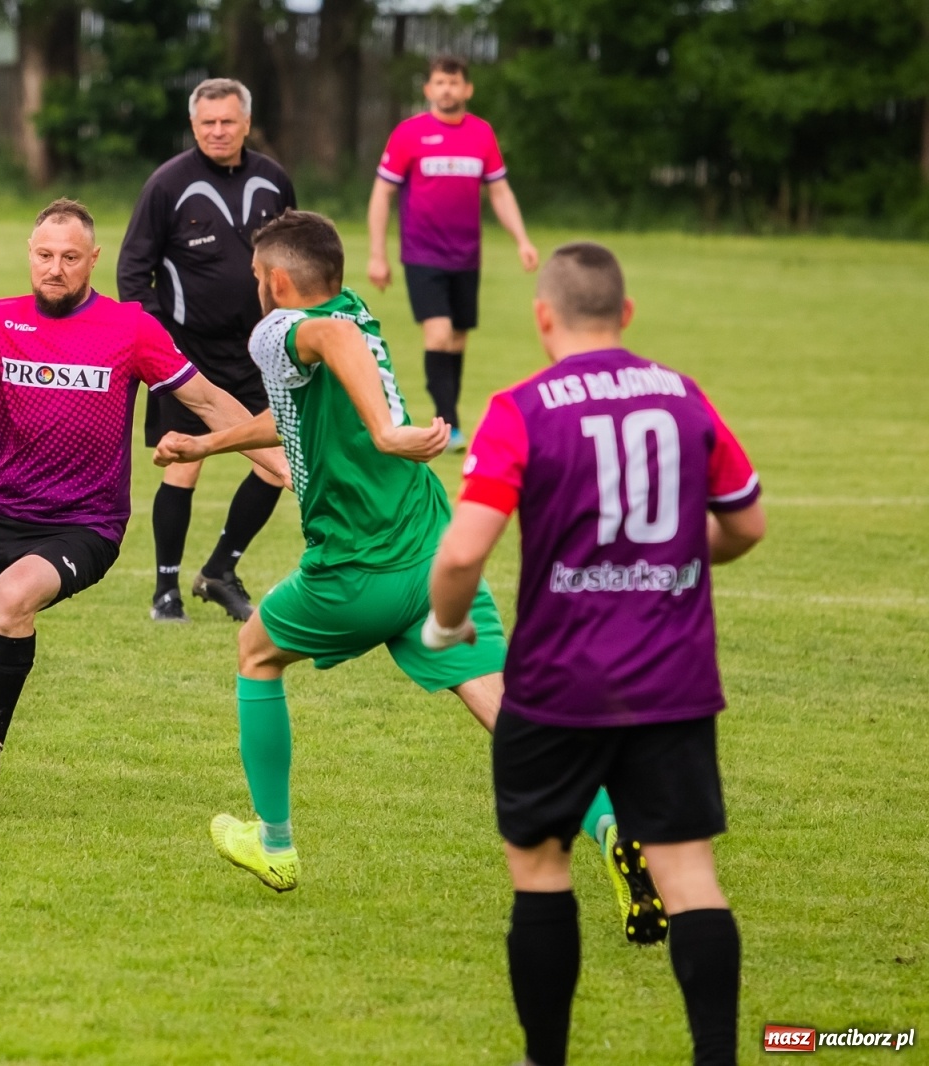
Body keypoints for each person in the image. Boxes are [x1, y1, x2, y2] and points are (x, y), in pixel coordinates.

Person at [156, 214, 650, 937]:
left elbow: (327, 345)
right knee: (509, 711)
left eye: (258, 275)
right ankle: (611, 827)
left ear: (281, 282)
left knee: (256, 654)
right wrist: (209, 440)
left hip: (354, 572)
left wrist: (388, 433)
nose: (253, 286)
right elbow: (297, 412)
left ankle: (276, 846)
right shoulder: (356, 308)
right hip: (435, 557)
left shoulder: (286, 330)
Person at [425, 242, 765, 1066]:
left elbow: (464, 551)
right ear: (628, 315)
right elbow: (747, 524)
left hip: (556, 686)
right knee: (689, 877)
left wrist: (444, 626)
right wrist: (673, 555)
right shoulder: (684, 397)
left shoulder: (520, 408)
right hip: (674, 681)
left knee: (541, 871)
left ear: (544, 317)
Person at [0, 199, 287, 792]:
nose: (55, 268)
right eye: (44, 255)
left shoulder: (130, 328)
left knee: (15, 595)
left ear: (93, 260)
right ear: (29, 256)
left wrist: (284, 464)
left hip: (86, 524)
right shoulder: (0, 319)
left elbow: (211, 401)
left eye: (69, 257)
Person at [119, 77, 297, 624]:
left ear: (246, 122)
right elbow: (132, 270)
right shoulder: (167, 184)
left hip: (259, 352)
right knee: (183, 464)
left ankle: (220, 570)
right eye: (207, 123)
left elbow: (297, 257)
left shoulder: (274, 180)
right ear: (193, 126)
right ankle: (165, 591)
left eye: (227, 121)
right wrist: (157, 344)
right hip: (186, 352)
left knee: (278, 462)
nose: (218, 131)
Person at [367, 54, 538, 453]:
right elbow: (382, 193)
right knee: (439, 333)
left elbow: (499, 191)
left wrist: (522, 240)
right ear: (428, 89)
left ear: (467, 89)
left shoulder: (481, 134)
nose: (447, 89)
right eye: (439, 83)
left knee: (457, 340)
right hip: (422, 254)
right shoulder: (409, 134)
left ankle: (451, 415)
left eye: (454, 82)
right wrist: (378, 254)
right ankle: (451, 426)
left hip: (466, 257)